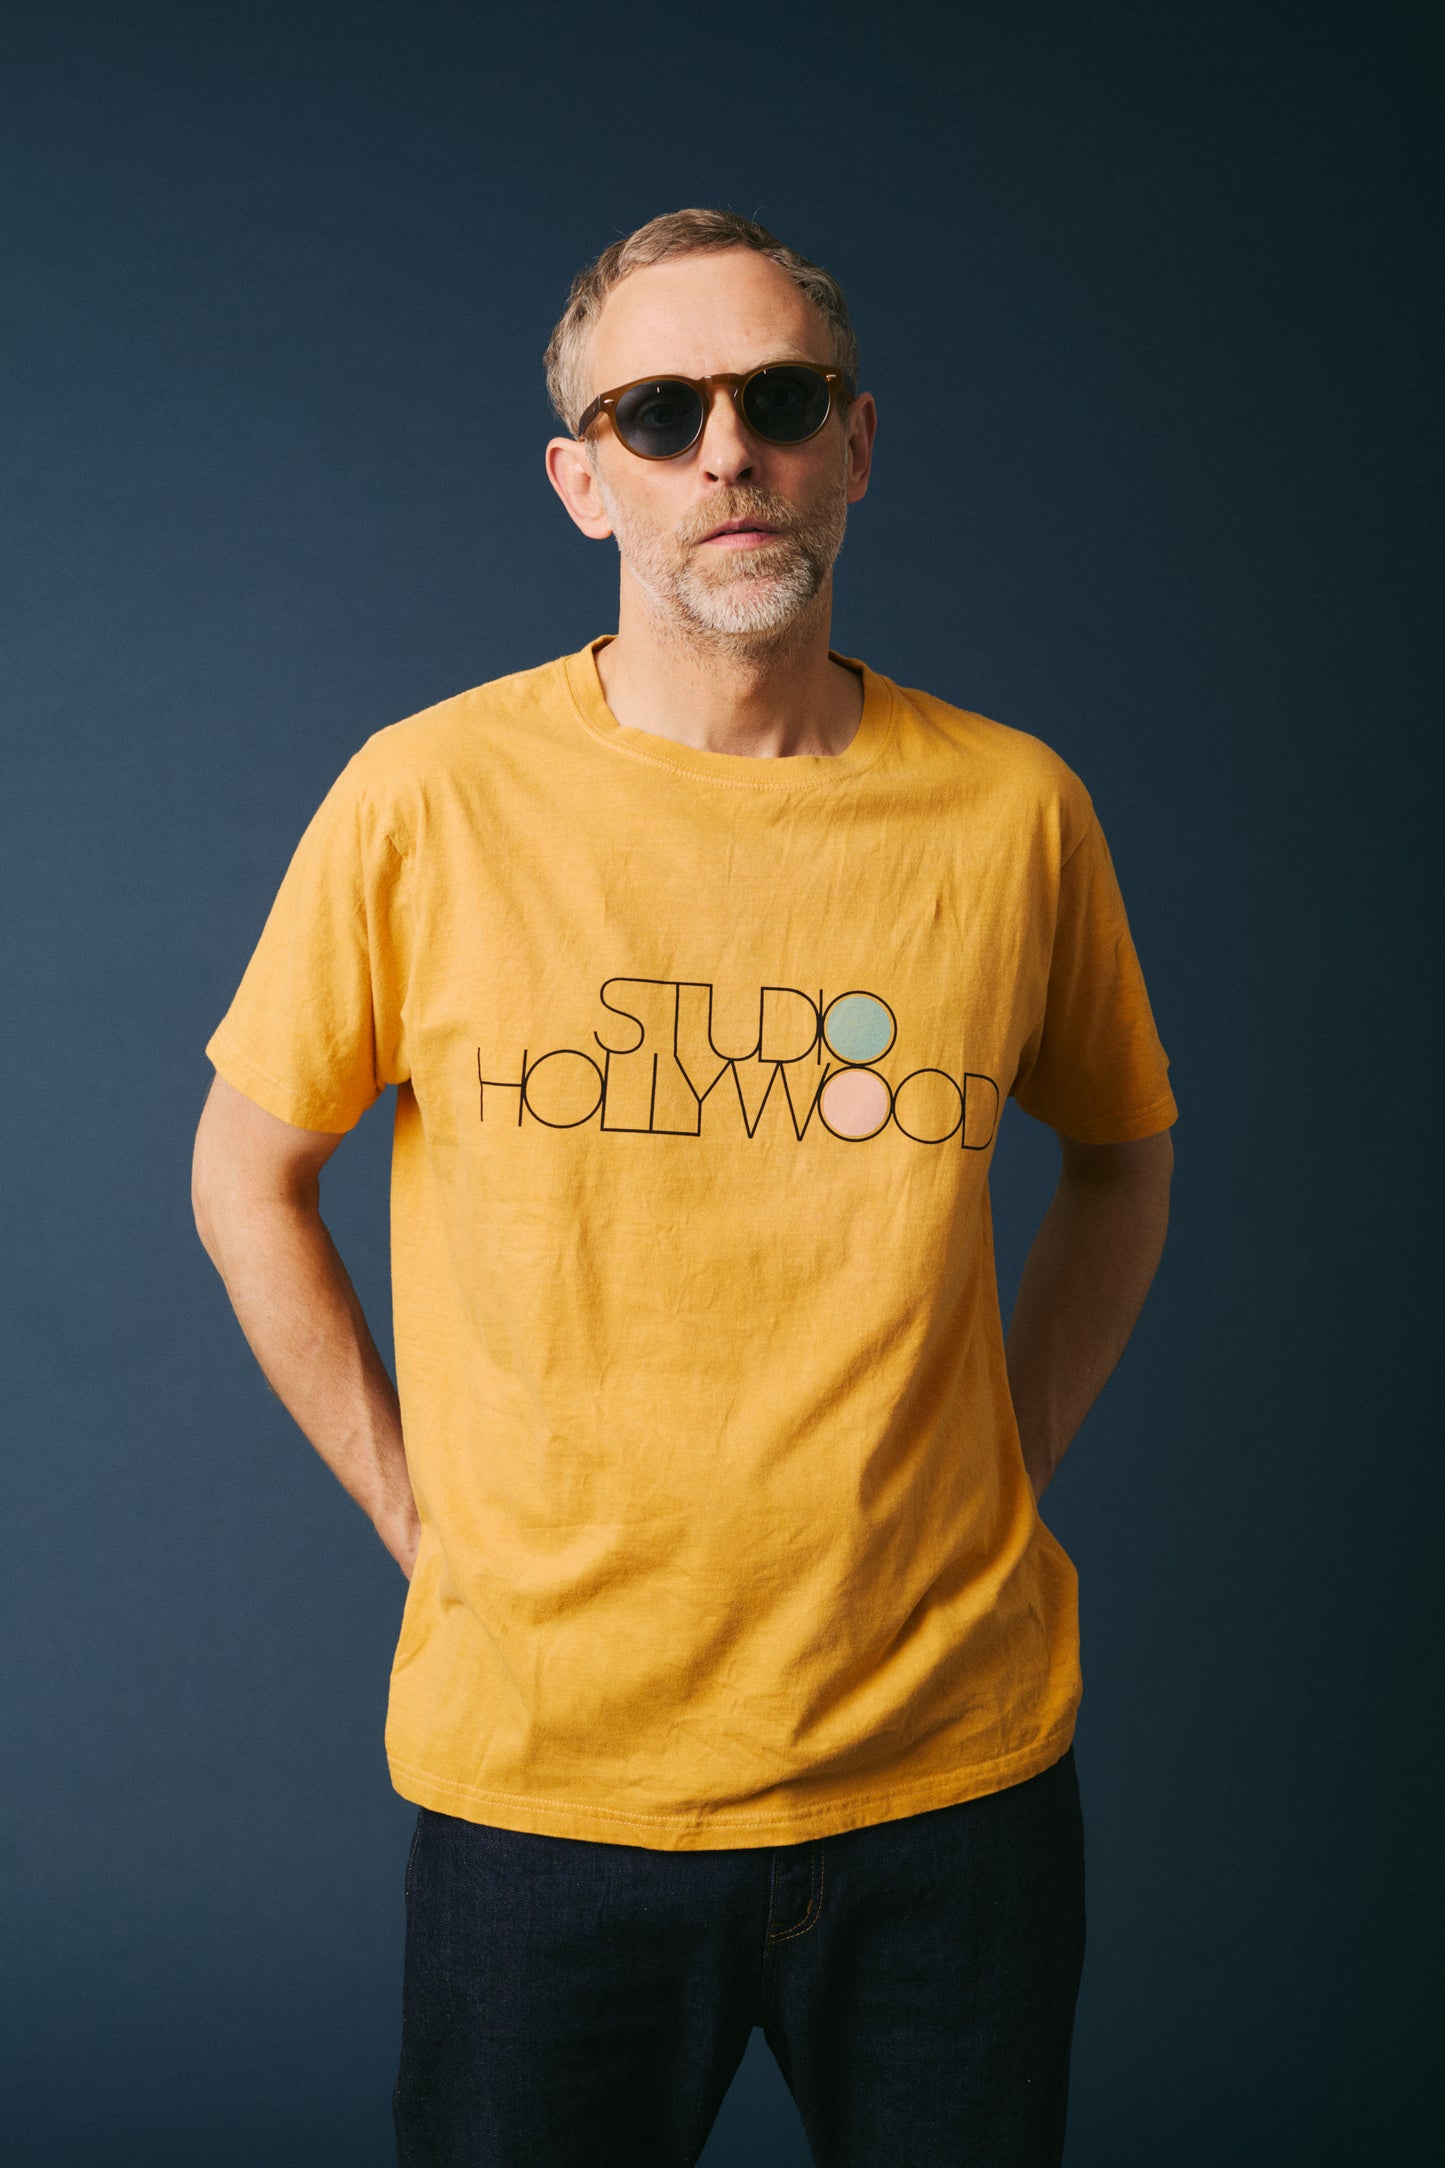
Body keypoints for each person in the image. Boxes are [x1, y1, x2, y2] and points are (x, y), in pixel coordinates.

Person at [191, 207, 1176, 2168]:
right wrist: (415, 1509)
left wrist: (1003, 1452)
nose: (727, 451)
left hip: (949, 1786)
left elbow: (1122, 1154)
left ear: (854, 443)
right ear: (585, 480)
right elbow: (245, 1174)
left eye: (779, 399)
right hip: (551, 1786)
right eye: (658, 413)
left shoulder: (1013, 812)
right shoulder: (426, 798)